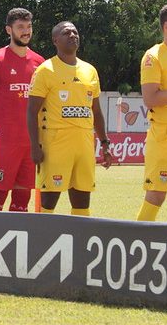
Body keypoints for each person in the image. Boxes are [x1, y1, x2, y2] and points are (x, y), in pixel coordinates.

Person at [27, 21, 113, 215]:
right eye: (67, 32)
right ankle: (42, 241)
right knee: (49, 200)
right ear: (55, 40)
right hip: (56, 143)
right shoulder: (45, 70)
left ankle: (80, 243)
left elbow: (96, 112)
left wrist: (105, 143)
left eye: (75, 31)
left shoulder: (90, 70)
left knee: (82, 200)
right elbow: (31, 111)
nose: (73, 35)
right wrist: (34, 147)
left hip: (83, 143)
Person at [0, 8, 45, 212]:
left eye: (29, 27)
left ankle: (16, 243)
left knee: (22, 199)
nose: (26, 32)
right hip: (4, 142)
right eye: (20, 27)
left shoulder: (39, 63)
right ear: (9, 30)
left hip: (29, 143)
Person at [136, 3, 167, 222]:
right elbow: (150, 98)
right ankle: (136, 250)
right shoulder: (153, 56)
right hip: (164, 135)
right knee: (156, 195)